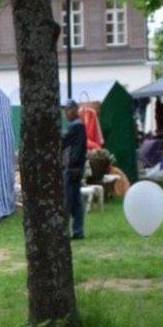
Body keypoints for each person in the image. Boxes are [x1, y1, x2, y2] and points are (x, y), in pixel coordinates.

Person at [62, 100, 88, 240]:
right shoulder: (77, 126)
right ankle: (78, 230)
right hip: (76, 167)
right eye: (65, 110)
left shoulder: (76, 126)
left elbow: (62, 141)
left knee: (68, 201)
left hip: (72, 168)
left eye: (68, 109)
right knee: (76, 201)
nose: (66, 112)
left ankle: (65, 231)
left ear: (75, 109)